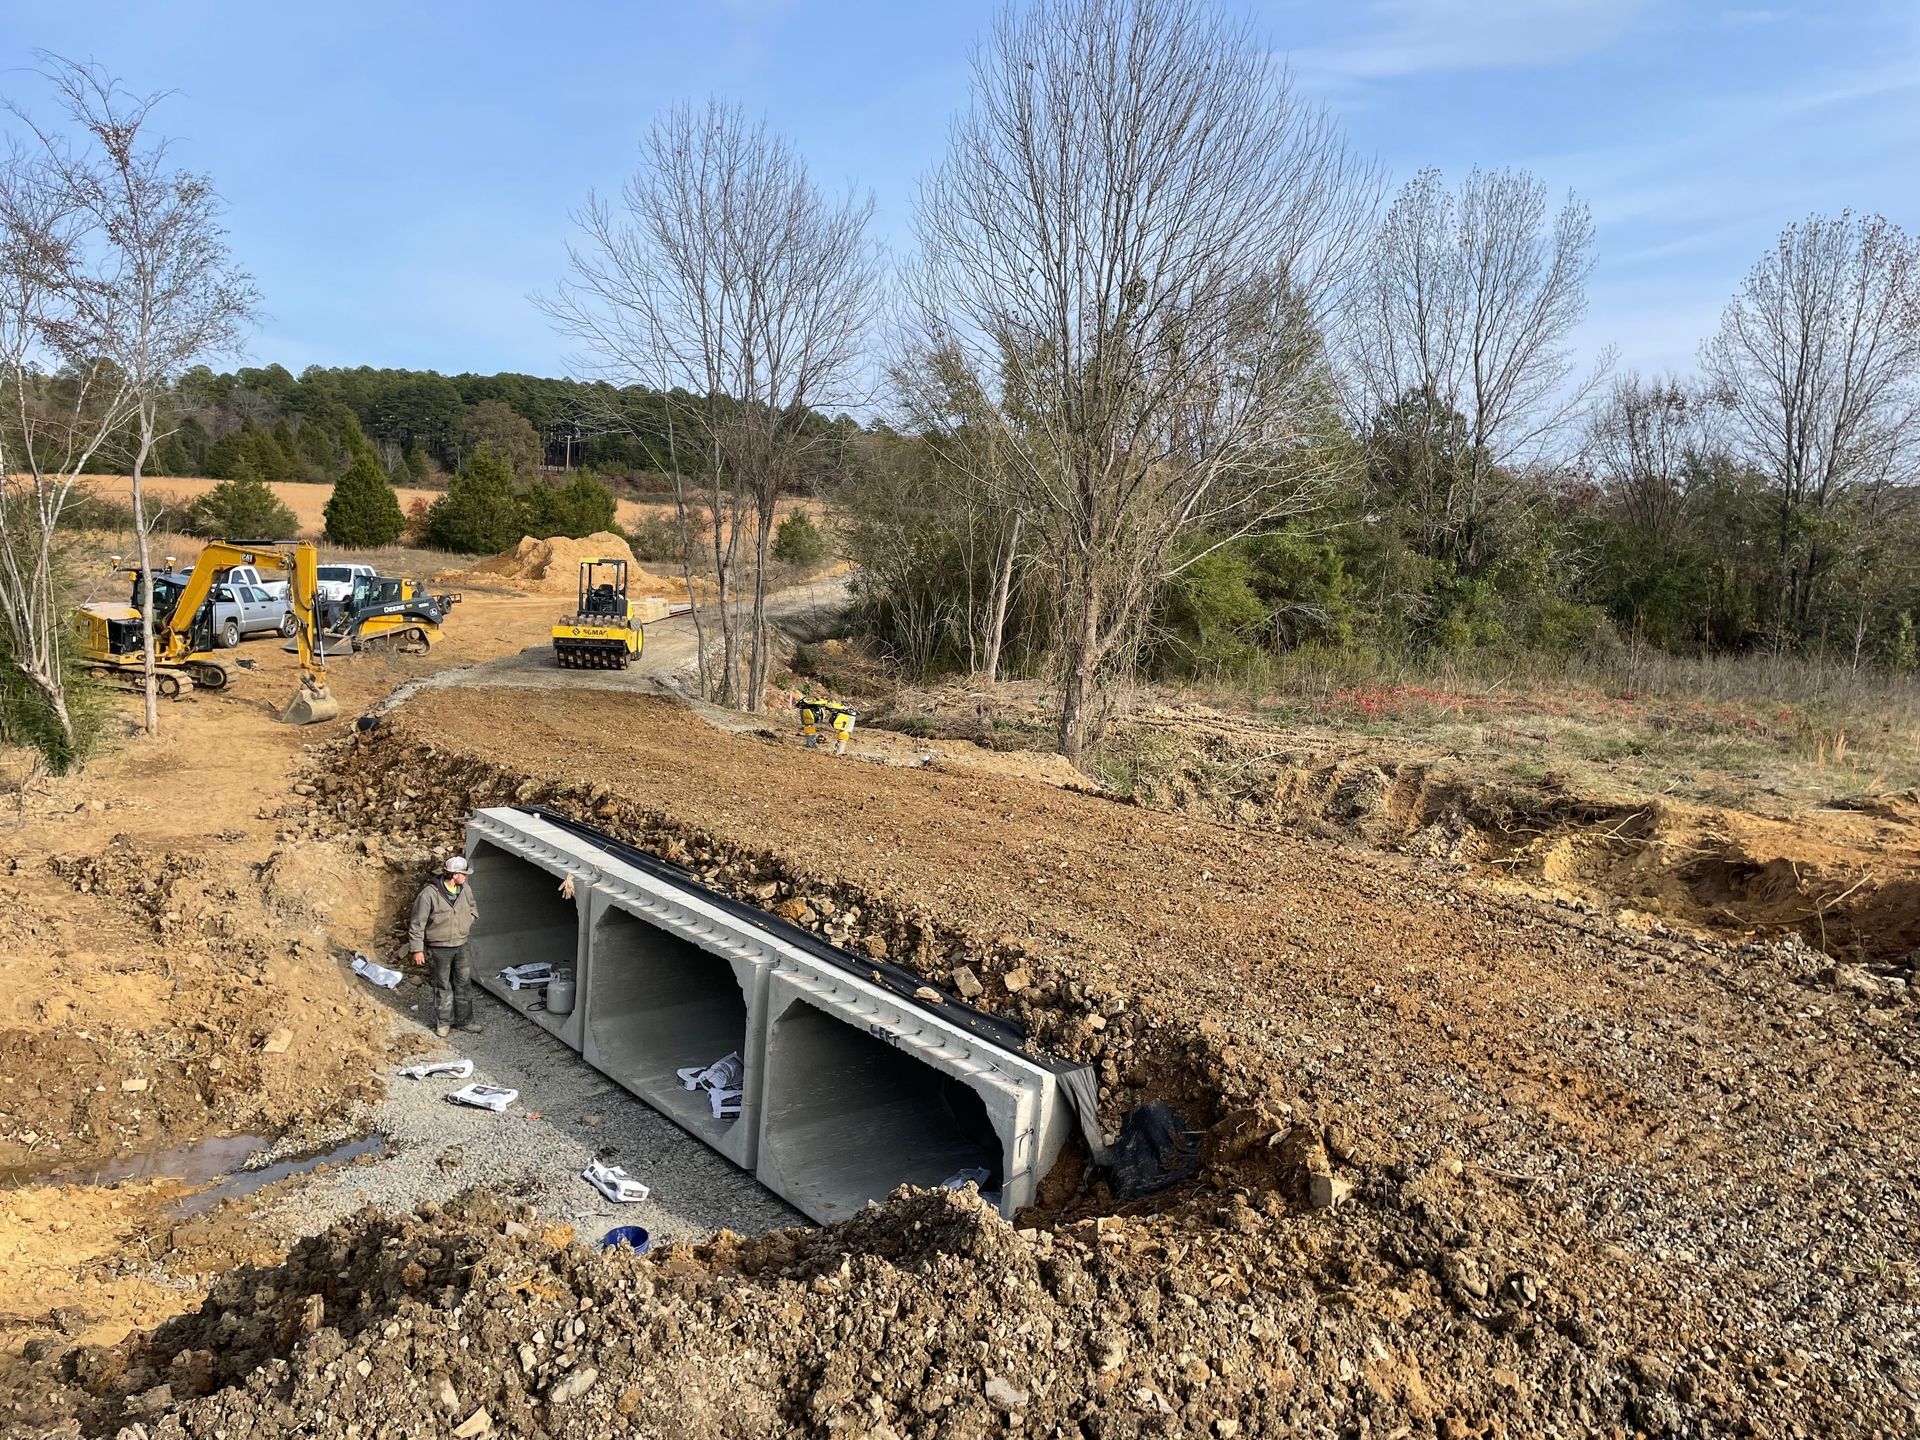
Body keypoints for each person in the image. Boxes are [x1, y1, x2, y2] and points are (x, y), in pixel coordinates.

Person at [410, 855, 481, 1038]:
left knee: (463, 983)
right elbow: (417, 923)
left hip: (461, 945)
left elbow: (473, 907)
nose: (466, 876)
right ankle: (443, 1023)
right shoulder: (429, 894)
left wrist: (468, 921)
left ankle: (465, 1021)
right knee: (442, 985)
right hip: (439, 948)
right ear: (454, 874)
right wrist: (417, 949)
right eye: (463, 873)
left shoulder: (465, 889)